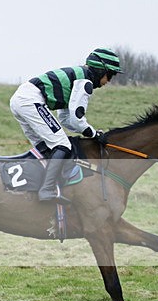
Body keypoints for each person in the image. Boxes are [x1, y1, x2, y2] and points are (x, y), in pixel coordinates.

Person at [9, 48, 123, 204]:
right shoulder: (85, 82)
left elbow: (65, 119)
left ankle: (38, 187)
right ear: (99, 70)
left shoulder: (77, 77)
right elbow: (77, 119)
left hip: (21, 99)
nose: (109, 81)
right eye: (109, 75)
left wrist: (89, 132)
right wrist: (94, 134)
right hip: (30, 100)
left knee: (46, 147)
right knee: (62, 145)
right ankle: (46, 190)